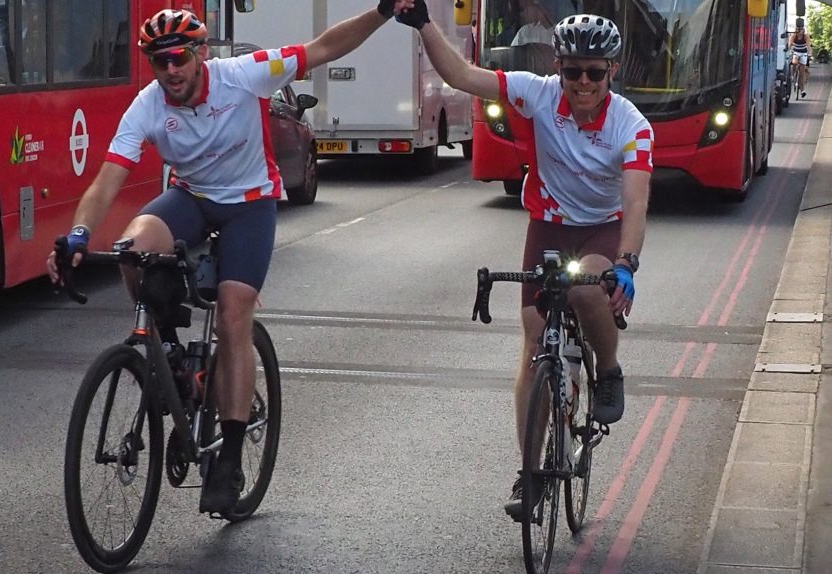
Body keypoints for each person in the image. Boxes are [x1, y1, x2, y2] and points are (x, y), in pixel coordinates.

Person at [47, 1, 412, 515]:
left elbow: (324, 47)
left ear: (200, 55)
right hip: (193, 197)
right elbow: (108, 180)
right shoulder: (148, 104)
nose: (170, 70)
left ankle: (231, 458)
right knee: (134, 251)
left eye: (179, 58)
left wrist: (382, 12)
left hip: (249, 205)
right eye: (159, 61)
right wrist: (78, 235)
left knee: (233, 315)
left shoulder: (245, 75)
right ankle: (170, 351)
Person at [394, 3, 651, 521]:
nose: (583, 83)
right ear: (558, 67)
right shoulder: (538, 93)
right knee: (534, 348)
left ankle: (609, 369)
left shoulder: (631, 123)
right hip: (549, 225)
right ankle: (531, 476)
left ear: (612, 71)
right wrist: (423, 22)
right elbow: (461, 75)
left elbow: (637, 199)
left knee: (586, 290)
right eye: (573, 71)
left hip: (601, 226)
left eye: (594, 73)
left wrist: (626, 262)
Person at [790, 18, 811, 98]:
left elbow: (808, 45)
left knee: (802, 73)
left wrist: (809, 53)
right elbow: (790, 43)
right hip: (796, 52)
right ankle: (792, 76)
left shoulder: (806, 36)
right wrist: (789, 48)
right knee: (794, 62)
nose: (800, 31)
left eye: (801, 29)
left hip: (803, 53)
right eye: (798, 29)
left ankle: (803, 90)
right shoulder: (793, 35)